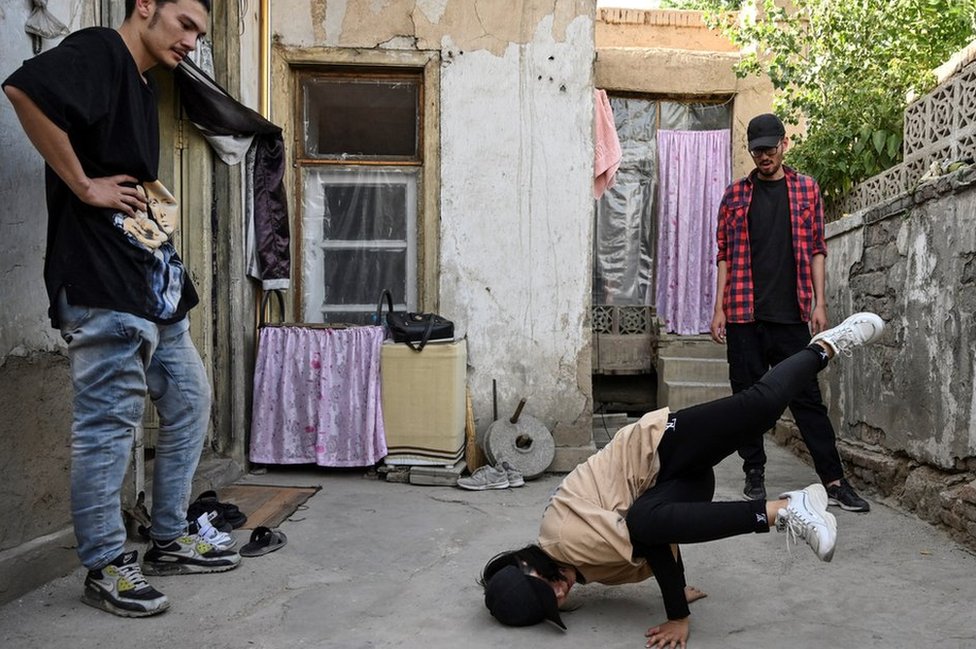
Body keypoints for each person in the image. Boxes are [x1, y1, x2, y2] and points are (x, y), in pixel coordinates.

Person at [3, 0, 240, 618]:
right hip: (101, 281)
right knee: (108, 425)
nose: (192, 40)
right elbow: (24, 89)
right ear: (144, 8)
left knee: (189, 398)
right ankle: (106, 563)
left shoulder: (138, 81)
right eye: (184, 23)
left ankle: (167, 538)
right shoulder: (100, 50)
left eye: (200, 32)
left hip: (150, 280)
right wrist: (84, 184)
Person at [480, 313, 884, 648]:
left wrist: (676, 612)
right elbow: (659, 529)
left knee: (757, 408)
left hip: (658, 447)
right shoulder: (578, 567)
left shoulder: (564, 539)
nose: (560, 595)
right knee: (646, 519)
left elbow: (647, 535)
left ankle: (827, 346)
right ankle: (787, 508)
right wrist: (676, 587)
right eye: (548, 605)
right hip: (674, 484)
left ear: (526, 564)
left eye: (544, 591)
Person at [709, 113, 870, 512]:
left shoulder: (806, 190)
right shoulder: (734, 196)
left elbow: (817, 248)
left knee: (808, 400)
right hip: (745, 314)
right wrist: (719, 309)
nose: (764, 156)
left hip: (793, 315)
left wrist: (820, 302)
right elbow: (724, 257)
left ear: (784, 144)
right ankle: (754, 474)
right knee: (748, 400)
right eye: (757, 149)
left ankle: (833, 481)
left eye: (770, 147)